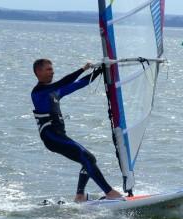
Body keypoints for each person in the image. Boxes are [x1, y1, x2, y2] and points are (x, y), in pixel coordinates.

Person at [31, 59, 122, 202]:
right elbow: (65, 81)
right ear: (38, 72)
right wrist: (82, 69)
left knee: (89, 159)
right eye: (48, 69)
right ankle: (109, 192)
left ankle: (80, 196)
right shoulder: (38, 92)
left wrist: (100, 70)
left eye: (52, 69)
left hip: (59, 136)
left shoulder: (55, 92)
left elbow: (80, 83)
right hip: (51, 137)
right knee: (86, 158)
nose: (52, 71)